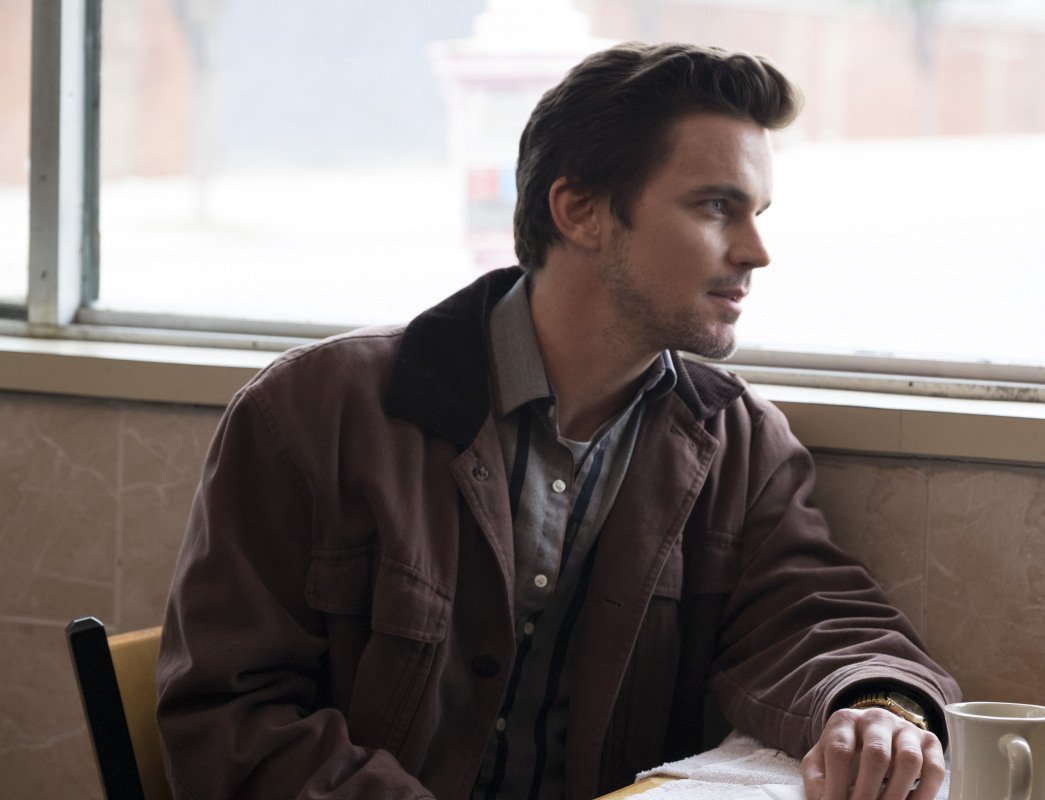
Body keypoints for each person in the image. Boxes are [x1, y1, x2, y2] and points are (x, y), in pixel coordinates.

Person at [157, 42, 960, 800]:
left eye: (757, 212)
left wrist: (878, 707)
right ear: (579, 211)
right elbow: (232, 719)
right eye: (716, 206)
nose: (755, 251)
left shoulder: (738, 444)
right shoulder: (315, 412)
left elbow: (816, 619)